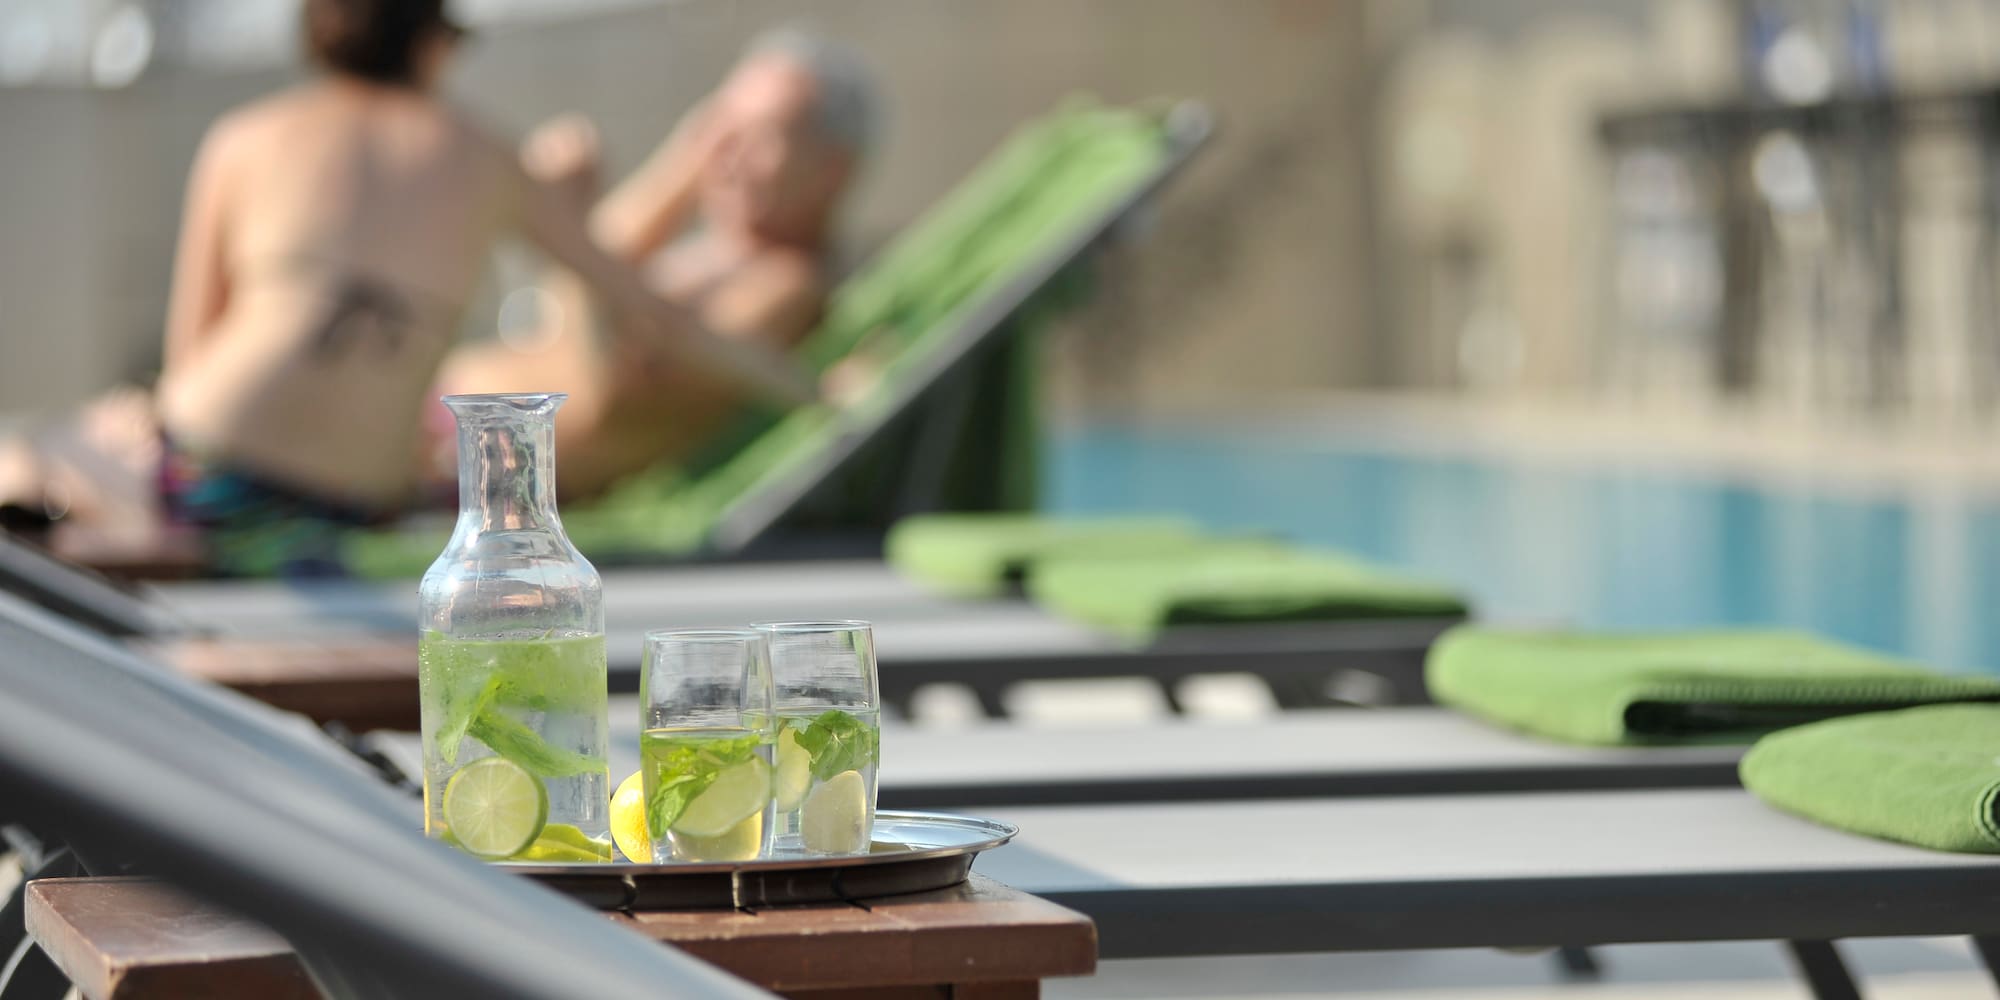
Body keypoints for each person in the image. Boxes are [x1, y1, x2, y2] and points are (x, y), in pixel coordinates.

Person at [143, 0, 812, 575]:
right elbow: (652, 315)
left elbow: (188, 356)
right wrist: (812, 389)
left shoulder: (243, 138)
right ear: (434, 46)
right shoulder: (487, 158)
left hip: (212, 474)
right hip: (353, 504)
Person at [433, 28, 877, 499]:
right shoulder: (717, 252)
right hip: (442, 420)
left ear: (833, 169)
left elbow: (612, 403)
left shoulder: (786, 285)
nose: (729, 153)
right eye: (723, 128)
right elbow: (589, 266)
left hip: (462, 462)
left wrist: (572, 223)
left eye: (762, 137)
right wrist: (684, 167)